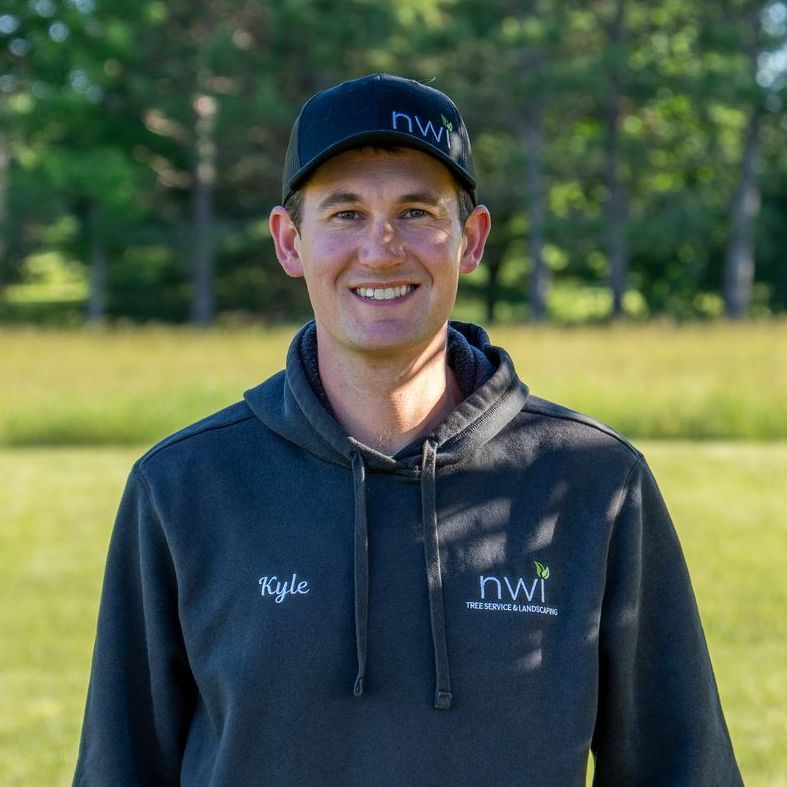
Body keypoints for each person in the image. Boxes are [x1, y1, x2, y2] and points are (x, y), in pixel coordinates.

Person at [74, 73, 742, 786]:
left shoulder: (592, 482)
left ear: (471, 240)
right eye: (345, 213)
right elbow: (122, 767)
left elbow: (680, 768)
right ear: (289, 241)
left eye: (417, 211)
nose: (382, 248)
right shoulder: (183, 487)